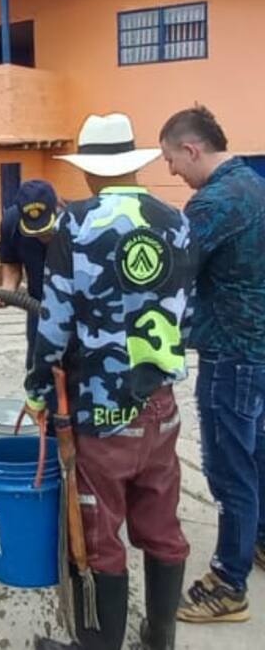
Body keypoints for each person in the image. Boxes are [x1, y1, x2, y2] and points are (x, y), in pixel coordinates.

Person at [27, 113, 195, 650]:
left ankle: (98, 646)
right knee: (161, 521)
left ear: (91, 171)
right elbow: (183, 314)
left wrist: (37, 387)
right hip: (160, 404)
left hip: (99, 408)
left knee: (98, 534)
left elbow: (53, 322)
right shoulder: (175, 219)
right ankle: (159, 637)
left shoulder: (75, 224)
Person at [160, 105, 265, 624]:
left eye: (172, 160)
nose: (172, 172)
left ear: (192, 149)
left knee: (230, 470)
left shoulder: (217, 201)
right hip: (259, 350)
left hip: (232, 354)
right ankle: (260, 540)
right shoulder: (256, 184)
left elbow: (166, 264)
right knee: (258, 454)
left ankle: (228, 582)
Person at [0, 180, 60, 370]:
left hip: (76, 310)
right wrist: (6, 290)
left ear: (56, 208)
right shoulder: (11, 223)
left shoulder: (76, 225)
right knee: (38, 373)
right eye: (34, 230)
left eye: (45, 228)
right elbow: (11, 264)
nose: (41, 235)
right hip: (37, 305)